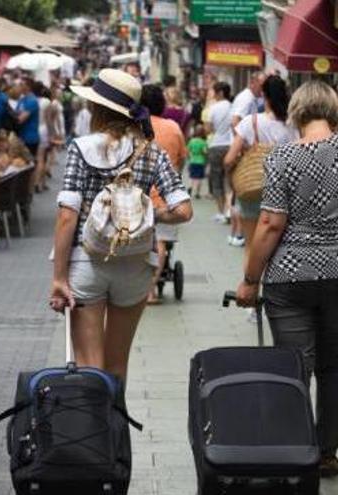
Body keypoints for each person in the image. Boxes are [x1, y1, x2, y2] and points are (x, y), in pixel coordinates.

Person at [235, 81, 338, 478]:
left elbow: (272, 223)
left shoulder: (281, 158)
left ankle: (295, 449)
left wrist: (249, 280)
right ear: (333, 111)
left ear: (296, 114)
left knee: (295, 366)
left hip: (291, 276)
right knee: (333, 364)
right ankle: (327, 453)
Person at [49, 69, 192, 381]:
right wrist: (150, 214)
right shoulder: (151, 150)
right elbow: (183, 210)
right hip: (136, 265)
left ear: (97, 109)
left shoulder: (83, 147)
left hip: (87, 262)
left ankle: (92, 429)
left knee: (89, 364)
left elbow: (67, 216)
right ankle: (117, 429)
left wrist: (59, 277)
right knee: (117, 367)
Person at [224, 75, 295, 249]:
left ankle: (251, 276)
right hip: (282, 191)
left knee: (251, 247)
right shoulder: (292, 125)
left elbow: (229, 159)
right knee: (277, 247)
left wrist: (232, 174)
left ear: (264, 95)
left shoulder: (251, 122)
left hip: (253, 188)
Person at [139, 84, 188, 304]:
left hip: (137, 196)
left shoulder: (135, 127)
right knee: (160, 241)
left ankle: (140, 286)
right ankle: (150, 290)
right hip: (165, 196)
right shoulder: (173, 127)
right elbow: (181, 158)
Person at [205, 82, 233, 228]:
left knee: (216, 179)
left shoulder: (213, 108)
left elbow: (208, 129)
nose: (213, 95)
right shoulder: (234, 106)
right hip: (232, 146)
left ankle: (221, 212)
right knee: (229, 180)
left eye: (215, 92)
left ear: (220, 93)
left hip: (216, 145)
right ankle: (229, 210)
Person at [15, 78, 41, 158]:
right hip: (22, 136)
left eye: (21, 85)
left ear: (28, 87)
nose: (19, 87)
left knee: (30, 163)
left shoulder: (32, 101)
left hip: (30, 138)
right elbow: (16, 113)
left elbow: (20, 119)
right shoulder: (22, 99)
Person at [187, 124, 208, 199]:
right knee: (199, 178)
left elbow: (188, 151)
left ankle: (190, 187)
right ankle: (197, 193)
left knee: (192, 176)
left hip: (192, 161)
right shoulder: (203, 142)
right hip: (200, 161)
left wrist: (190, 157)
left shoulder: (191, 141)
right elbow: (205, 152)